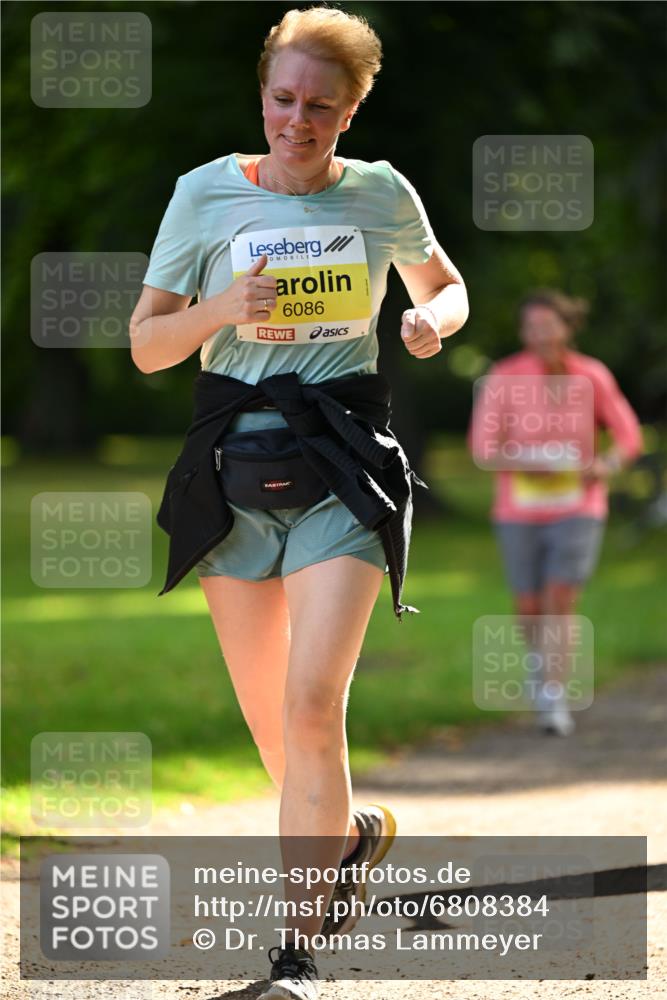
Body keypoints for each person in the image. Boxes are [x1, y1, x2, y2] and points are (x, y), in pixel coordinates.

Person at [130, 7, 468, 997]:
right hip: (231, 473)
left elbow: (443, 284)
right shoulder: (203, 194)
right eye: (282, 98)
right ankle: (352, 835)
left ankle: (294, 958)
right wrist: (219, 310)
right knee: (279, 731)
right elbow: (148, 346)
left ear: (352, 108)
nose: (297, 119)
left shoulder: (379, 194)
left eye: (320, 104)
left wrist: (430, 321)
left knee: (314, 708)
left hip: (342, 466)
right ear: (263, 95)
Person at [470, 289, 642, 737]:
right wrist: (528, 462)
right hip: (518, 509)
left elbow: (629, 436)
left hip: (580, 506)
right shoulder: (504, 377)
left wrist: (605, 464)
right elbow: (482, 450)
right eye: (531, 327)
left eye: (549, 325)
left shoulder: (593, 375)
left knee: (560, 599)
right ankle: (539, 668)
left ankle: (553, 693)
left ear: (568, 326)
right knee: (529, 605)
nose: (540, 335)